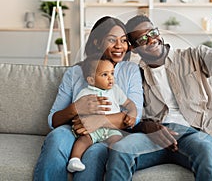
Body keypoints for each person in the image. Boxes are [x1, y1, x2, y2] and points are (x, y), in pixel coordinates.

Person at [105, 8, 212, 180]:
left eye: (153, 32)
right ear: (135, 49)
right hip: (156, 137)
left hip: (195, 134)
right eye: (143, 39)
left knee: (205, 147)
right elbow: (129, 116)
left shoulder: (193, 56)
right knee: (120, 150)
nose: (151, 40)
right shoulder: (134, 74)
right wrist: (146, 127)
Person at [33, 16, 143, 181]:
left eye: (124, 40)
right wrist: (75, 108)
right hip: (75, 129)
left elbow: (134, 116)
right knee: (56, 138)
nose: (119, 46)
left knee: (94, 153)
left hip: (111, 132)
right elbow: (53, 120)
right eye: (112, 40)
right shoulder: (75, 73)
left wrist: (99, 121)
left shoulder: (130, 70)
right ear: (97, 42)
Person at [67, 55, 137, 173]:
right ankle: (74, 160)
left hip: (111, 128)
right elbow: (78, 111)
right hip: (92, 129)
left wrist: (132, 112)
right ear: (91, 80)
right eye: (105, 75)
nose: (110, 78)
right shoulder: (85, 92)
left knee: (118, 141)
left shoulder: (115, 90)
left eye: (112, 73)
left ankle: (114, 162)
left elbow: (129, 103)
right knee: (83, 141)